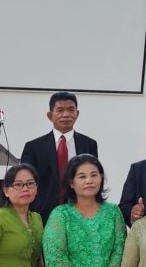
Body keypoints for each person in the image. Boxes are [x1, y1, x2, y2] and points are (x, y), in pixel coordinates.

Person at [21, 91, 99, 223]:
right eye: (60, 110)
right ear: (50, 116)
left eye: (71, 110)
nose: (66, 115)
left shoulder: (89, 144)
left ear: (77, 114)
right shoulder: (34, 147)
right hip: (42, 214)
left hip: (80, 213)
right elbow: (27, 182)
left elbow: (93, 177)